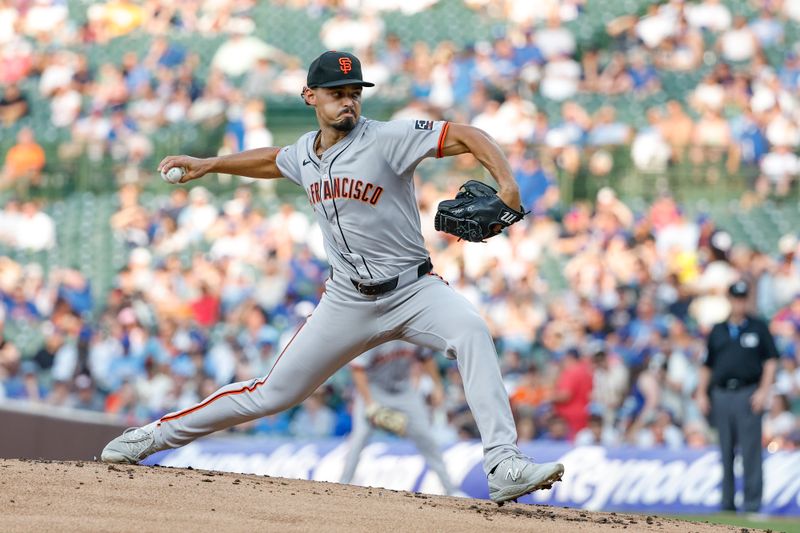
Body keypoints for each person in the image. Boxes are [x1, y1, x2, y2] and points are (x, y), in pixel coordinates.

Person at [101, 50, 564, 504]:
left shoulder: (386, 138)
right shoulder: (304, 153)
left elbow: (468, 134)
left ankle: (503, 462)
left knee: (471, 330)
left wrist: (508, 185)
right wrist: (211, 164)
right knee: (270, 394)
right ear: (310, 97)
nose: (348, 101)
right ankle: (153, 436)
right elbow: (273, 160)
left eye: (354, 93)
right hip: (347, 302)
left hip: (414, 290)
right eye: (336, 93)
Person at [696, 280, 778, 513]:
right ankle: (727, 504)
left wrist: (763, 390)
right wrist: (702, 393)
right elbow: (707, 364)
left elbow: (771, 360)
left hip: (748, 392)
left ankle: (752, 504)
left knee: (751, 451)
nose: (739, 303)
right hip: (721, 394)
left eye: (743, 298)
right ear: (730, 300)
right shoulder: (718, 330)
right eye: (735, 298)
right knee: (725, 450)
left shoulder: (758, 327)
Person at [339, 340, 458, 495]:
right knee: (359, 437)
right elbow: (357, 369)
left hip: (404, 391)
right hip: (373, 390)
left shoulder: (412, 329)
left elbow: (426, 357)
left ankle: (451, 490)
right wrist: (369, 403)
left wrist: (437, 385)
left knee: (426, 437)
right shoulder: (377, 332)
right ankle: (341, 486)